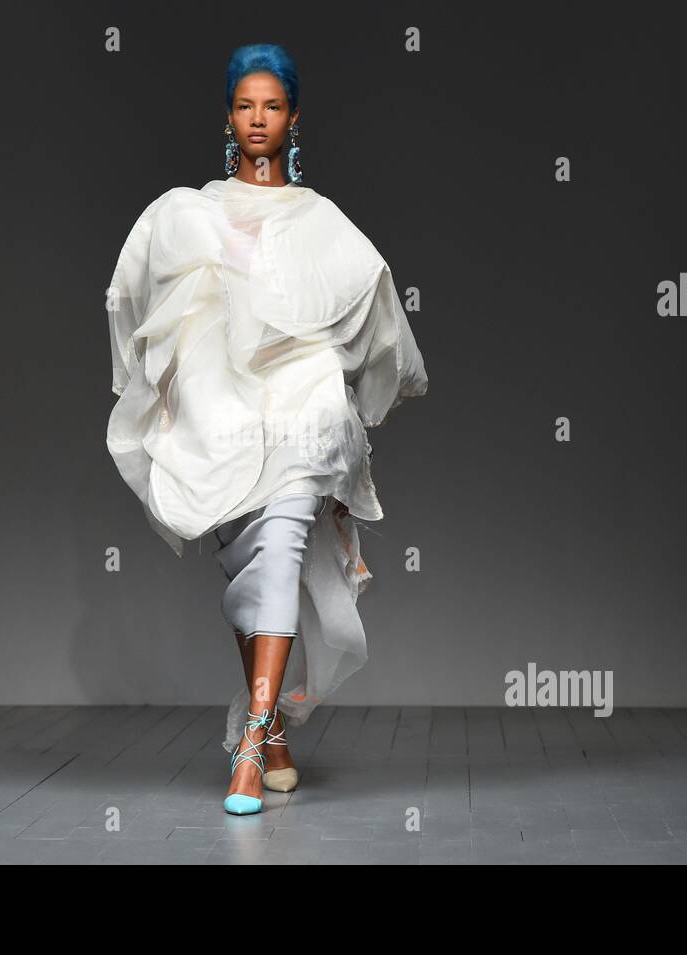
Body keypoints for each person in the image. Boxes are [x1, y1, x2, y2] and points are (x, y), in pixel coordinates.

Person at [105, 43, 428, 815]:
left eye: (272, 105)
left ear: (292, 119)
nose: (258, 118)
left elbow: (373, 312)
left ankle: (250, 745)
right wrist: (170, 387)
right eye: (245, 105)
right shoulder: (193, 210)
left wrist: (356, 406)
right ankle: (276, 731)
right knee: (256, 568)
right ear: (228, 116)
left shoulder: (320, 219)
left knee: (279, 556)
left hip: (301, 406)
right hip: (224, 415)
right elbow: (131, 294)